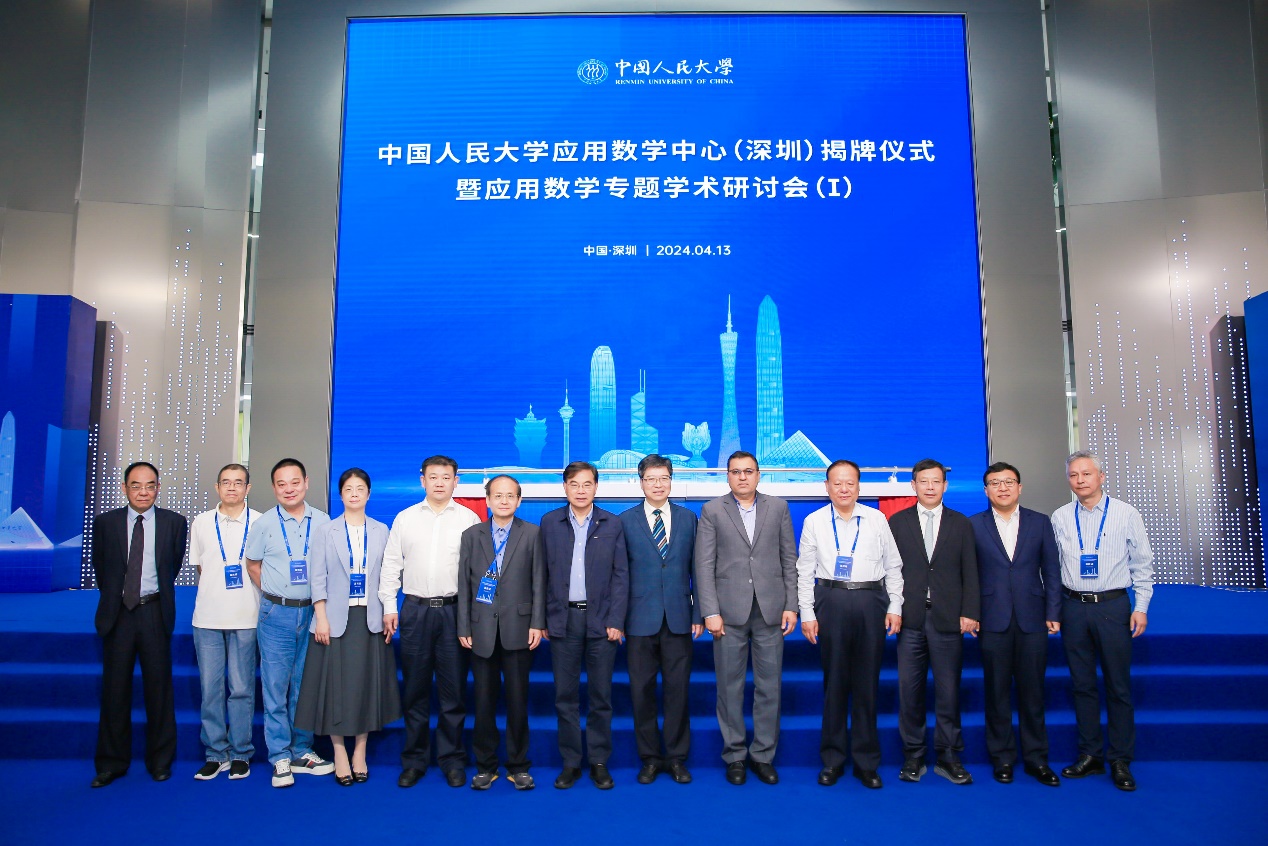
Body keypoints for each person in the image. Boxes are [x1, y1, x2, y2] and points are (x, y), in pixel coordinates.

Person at [797, 460, 903, 789]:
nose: (844, 489)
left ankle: (866, 762)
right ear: (827, 487)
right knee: (835, 684)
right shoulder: (814, 521)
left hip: (871, 601)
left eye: (850, 483)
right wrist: (807, 613)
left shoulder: (877, 519)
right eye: (837, 483)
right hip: (831, 600)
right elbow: (804, 571)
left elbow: (893, 566)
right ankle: (832, 760)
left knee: (867, 684)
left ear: (859, 487)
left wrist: (895, 605)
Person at [1052, 450, 1154, 792]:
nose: (1080, 480)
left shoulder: (1126, 513)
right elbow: (1052, 568)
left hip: (1112, 606)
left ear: (1101, 477)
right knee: (1082, 685)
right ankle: (1090, 755)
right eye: (1073, 475)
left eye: (1086, 474)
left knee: (1117, 686)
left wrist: (1141, 605)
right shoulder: (1061, 516)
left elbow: (1142, 563)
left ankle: (1120, 759)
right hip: (1073, 607)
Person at [695, 451, 798, 786]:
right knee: (730, 688)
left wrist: (791, 605)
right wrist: (710, 611)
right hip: (727, 614)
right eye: (736, 472)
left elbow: (789, 559)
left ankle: (763, 755)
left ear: (758, 475)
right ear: (727, 476)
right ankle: (735, 755)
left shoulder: (778, 508)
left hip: (771, 611)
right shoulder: (712, 510)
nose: (742, 477)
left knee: (769, 687)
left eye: (748, 471)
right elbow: (703, 566)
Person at [296, 468, 401, 785]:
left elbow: (388, 575)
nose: (354, 494)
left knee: (366, 686)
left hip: (370, 619)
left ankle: (360, 752)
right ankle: (339, 752)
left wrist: (389, 610)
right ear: (340, 494)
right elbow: (317, 578)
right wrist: (321, 616)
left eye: (360, 489)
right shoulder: (325, 532)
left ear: (369, 494)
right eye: (348, 489)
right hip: (334, 620)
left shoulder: (382, 530)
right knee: (335, 689)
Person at [380, 455, 480, 788]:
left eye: (446, 477)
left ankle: (452, 760)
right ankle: (414, 760)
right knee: (415, 690)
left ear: (456, 481)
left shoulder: (468, 519)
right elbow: (391, 565)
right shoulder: (405, 518)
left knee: (453, 692)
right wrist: (389, 606)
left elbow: (476, 573)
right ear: (422, 480)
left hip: (454, 612)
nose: (439, 482)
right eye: (433, 476)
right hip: (415, 611)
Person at [90, 461, 188, 787]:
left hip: (153, 612)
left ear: (158, 488)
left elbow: (172, 566)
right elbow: (101, 567)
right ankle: (111, 763)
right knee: (114, 690)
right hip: (117, 614)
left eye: (150, 485)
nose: (143, 492)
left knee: (159, 690)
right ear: (125, 488)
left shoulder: (175, 523)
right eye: (136, 485)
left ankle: (160, 761)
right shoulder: (105, 523)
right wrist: (117, 597)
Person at [969, 462, 1062, 787]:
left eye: (1009, 482)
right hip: (991, 618)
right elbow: (968, 575)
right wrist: (971, 612)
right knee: (996, 692)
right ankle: (1002, 758)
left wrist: (1053, 610)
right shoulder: (973, 525)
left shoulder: (1040, 522)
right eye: (995, 483)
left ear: (1020, 487)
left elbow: (1052, 570)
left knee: (1033, 692)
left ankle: (1037, 759)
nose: (1003, 488)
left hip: (1032, 618)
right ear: (986, 490)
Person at [245, 458, 335, 787]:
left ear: (306, 483)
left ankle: (302, 750)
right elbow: (252, 565)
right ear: (274, 488)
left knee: (304, 685)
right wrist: (277, 594)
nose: (289, 489)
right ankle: (280, 755)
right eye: (281, 484)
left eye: (294, 482)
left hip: (312, 613)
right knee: (275, 687)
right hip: (276, 615)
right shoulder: (264, 524)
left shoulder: (323, 521)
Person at [889, 458, 980, 785]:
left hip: (948, 619)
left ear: (945, 485)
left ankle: (948, 755)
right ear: (913, 485)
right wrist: (893, 608)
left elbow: (971, 571)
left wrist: (970, 612)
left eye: (936, 481)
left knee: (948, 691)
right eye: (924, 481)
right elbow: (890, 570)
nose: (930, 487)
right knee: (909, 691)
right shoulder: (897, 522)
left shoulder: (961, 523)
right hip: (910, 618)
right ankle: (913, 755)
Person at [539, 461, 628, 789]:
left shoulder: (612, 523)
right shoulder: (549, 522)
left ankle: (599, 762)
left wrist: (616, 620)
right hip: (562, 620)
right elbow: (541, 575)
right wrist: (542, 619)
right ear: (565, 487)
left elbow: (621, 576)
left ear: (596, 487)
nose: (580, 490)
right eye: (574, 484)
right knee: (565, 696)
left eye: (587, 484)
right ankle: (571, 763)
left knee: (601, 696)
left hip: (601, 622)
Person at [456, 475, 546, 790]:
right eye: (498, 495)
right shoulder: (472, 535)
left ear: (519, 501)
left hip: (519, 629)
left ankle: (518, 765)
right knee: (483, 703)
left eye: (510, 496)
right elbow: (464, 584)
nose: (504, 501)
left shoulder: (532, 533)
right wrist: (463, 625)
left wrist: (537, 622)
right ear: (488, 500)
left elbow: (539, 581)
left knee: (518, 702)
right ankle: (486, 766)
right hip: (480, 630)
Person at [618, 455, 701, 785]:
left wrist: (698, 612)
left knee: (678, 692)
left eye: (663, 478)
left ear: (671, 480)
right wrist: (618, 619)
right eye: (651, 478)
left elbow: (698, 570)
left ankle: (677, 757)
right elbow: (619, 575)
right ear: (640, 482)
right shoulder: (624, 521)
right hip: (639, 620)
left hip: (679, 618)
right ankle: (650, 758)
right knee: (641, 692)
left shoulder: (688, 518)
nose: (658, 484)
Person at [189, 463, 262, 781]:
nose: (232, 487)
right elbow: (201, 567)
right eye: (226, 482)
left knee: (242, 688)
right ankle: (216, 753)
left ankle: (241, 752)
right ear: (217, 487)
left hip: (247, 617)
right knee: (211, 689)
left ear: (248, 488)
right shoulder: (201, 522)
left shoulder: (260, 522)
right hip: (207, 618)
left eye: (238, 482)